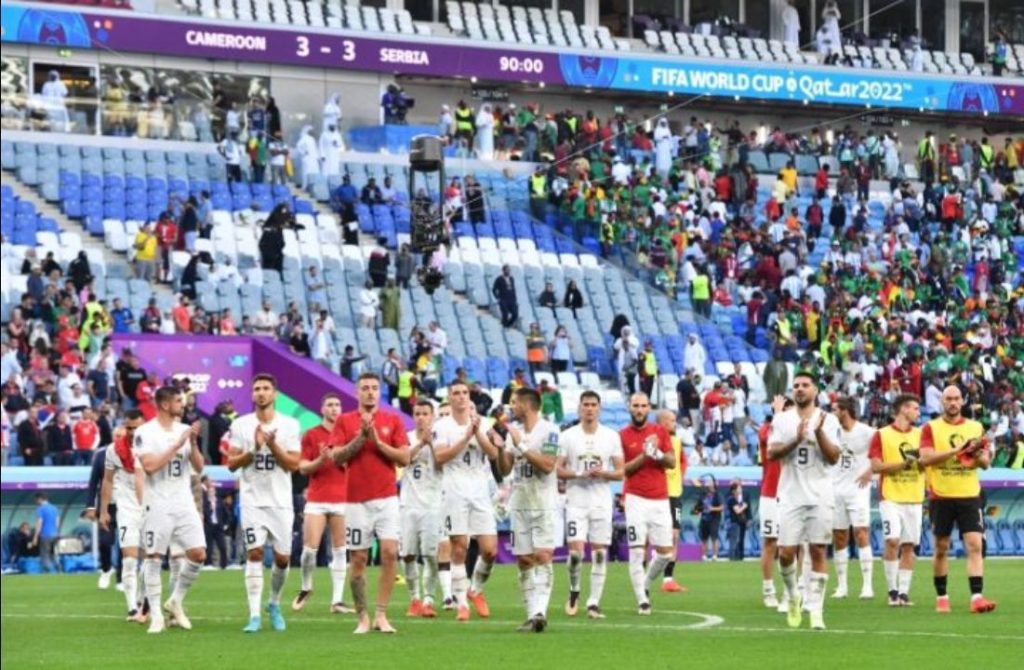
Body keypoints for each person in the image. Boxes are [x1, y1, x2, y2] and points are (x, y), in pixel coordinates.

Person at [328, 373, 410, 634]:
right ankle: (362, 617)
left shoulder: (392, 420)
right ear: (356, 392)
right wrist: (361, 438)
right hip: (355, 501)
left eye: (375, 388)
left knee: (389, 552)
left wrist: (377, 441)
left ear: (380, 392)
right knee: (359, 558)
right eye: (365, 388)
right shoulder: (344, 420)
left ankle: (381, 615)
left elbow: (404, 458)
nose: (370, 393)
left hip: (386, 498)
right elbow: (336, 457)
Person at [225, 374, 301, 633]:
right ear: (251, 394)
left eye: (266, 388)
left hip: (280, 501)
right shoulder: (240, 425)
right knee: (255, 553)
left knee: (282, 558)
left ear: (275, 394)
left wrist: (272, 445)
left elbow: (294, 464)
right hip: (252, 501)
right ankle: (254, 615)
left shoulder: (290, 425)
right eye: (257, 389)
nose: (261, 393)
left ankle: (274, 603)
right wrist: (255, 449)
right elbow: (231, 464)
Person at [767, 372, 841, 630]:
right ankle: (793, 595)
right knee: (786, 553)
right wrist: (796, 439)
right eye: (796, 385)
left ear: (815, 390)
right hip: (790, 494)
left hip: (821, 493)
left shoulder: (828, 420)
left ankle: (817, 611)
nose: (799, 389)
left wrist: (818, 434)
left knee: (819, 550)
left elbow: (834, 458)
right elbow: (772, 452)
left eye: (805, 385)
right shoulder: (782, 419)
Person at [919, 386, 997, 614]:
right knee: (942, 547)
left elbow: (984, 463)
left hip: (969, 495)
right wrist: (957, 450)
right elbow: (925, 459)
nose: (952, 402)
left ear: (962, 401)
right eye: (948, 399)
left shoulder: (975, 427)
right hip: (941, 495)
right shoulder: (930, 428)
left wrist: (973, 454)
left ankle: (977, 597)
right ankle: (942, 597)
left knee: (974, 544)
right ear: (941, 402)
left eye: (956, 399)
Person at [135, 386, 206, 634]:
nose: (183, 405)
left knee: (198, 554)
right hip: (158, 502)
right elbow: (150, 466)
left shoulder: (184, 430)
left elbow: (200, 467)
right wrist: (176, 445)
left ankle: (175, 600)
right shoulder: (145, 432)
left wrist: (193, 444)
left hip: (184, 500)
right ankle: (155, 615)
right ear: (165, 405)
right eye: (178, 401)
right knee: (154, 557)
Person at [433, 381, 501, 621]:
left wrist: (477, 432)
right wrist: (464, 438)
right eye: (456, 393)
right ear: (449, 398)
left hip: (480, 491)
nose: (461, 397)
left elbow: (494, 454)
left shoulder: (485, 423)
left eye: (464, 393)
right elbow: (439, 457)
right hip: (454, 491)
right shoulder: (442, 426)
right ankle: (462, 602)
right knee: (459, 546)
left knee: (490, 550)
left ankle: (475, 590)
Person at [497, 387, 561, 633]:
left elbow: (547, 465)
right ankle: (531, 613)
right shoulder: (517, 432)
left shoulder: (550, 431)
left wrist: (520, 445)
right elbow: (504, 470)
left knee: (543, 555)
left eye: (514, 403)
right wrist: (502, 448)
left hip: (543, 502)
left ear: (526, 405)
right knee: (524, 560)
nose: (511, 407)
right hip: (520, 501)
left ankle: (540, 612)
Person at [556, 391, 624, 618]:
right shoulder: (567, 436)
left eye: (594, 405)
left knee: (599, 554)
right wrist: (580, 474)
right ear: (579, 407)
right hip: (576, 500)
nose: (589, 409)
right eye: (586, 404)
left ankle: (593, 602)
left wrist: (603, 473)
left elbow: (621, 471)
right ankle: (574, 590)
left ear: (600, 408)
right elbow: (557, 468)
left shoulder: (611, 436)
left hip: (601, 501)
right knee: (576, 553)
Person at [293, 394, 354, 615]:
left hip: (343, 498)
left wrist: (340, 456)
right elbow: (303, 468)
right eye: (329, 405)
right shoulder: (311, 434)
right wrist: (321, 459)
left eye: (337, 405)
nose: (334, 408)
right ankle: (306, 586)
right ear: (322, 409)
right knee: (309, 550)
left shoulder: (348, 435)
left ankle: (337, 601)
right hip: (317, 499)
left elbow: (355, 465)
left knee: (339, 550)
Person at [619, 392, 677, 615]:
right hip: (634, 498)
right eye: (636, 406)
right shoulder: (622, 435)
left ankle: (644, 583)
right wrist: (645, 456)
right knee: (636, 550)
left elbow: (671, 462)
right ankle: (642, 600)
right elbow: (623, 470)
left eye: (643, 406)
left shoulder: (659, 431)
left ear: (649, 408)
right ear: (629, 408)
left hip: (660, 499)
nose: (640, 409)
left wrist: (658, 453)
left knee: (665, 553)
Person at [869, 393, 925, 608]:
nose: (918, 413)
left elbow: (926, 464)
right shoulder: (881, 435)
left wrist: (919, 462)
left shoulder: (921, 435)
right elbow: (875, 466)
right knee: (892, 540)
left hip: (914, 496)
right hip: (890, 496)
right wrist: (902, 464)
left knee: (909, 545)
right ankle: (892, 590)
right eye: (915, 408)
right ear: (903, 409)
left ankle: (903, 593)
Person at [98, 410, 146, 619]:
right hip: (127, 506)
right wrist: (103, 510)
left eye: (137, 427)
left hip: (151, 505)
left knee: (150, 558)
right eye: (129, 427)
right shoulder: (113, 450)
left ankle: (144, 601)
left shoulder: (154, 444)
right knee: (129, 557)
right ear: (124, 427)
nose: (133, 431)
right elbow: (107, 480)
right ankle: (131, 607)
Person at [829, 396, 876, 599]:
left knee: (861, 533)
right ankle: (842, 586)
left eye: (835, 410)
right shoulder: (830, 432)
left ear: (844, 411)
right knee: (839, 537)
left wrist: (870, 472)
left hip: (858, 489)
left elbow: (882, 453)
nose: (832, 414)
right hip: (836, 489)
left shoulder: (867, 432)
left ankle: (867, 586)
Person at [400, 400, 443, 618]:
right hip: (408, 504)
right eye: (417, 413)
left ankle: (428, 599)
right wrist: (420, 444)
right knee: (407, 554)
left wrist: (431, 444)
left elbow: (444, 463)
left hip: (433, 505)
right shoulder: (405, 437)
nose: (421, 417)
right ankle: (414, 598)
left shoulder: (441, 438)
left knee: (430, 555)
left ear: (432, 416)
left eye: (425, 413)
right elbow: (401, 461)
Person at [758, 395, 788, 609]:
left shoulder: (796, 430)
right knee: (770, 543)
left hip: (792, 495)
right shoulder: (766, 429)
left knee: (792, 546)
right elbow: (771, 442)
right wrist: (778, 414)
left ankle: (792, 590)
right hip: (770, 494)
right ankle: (768, 590)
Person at [658, 409, 687, 592]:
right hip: (657, 494)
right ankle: (642, 577)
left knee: (674, 535)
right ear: (662, 423)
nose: (675, 423)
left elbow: (683, 461)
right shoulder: (653, 442)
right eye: (671, 420)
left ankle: (668, 579)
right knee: (648, 538)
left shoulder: (676, 442)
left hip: (674, 494)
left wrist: (679, 476)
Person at [201, 476, 228, 570]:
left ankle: (224, 565)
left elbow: (225, 514)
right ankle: (208, 564)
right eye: (210, 491)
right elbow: (204, 512)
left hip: (218, 527)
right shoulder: (205, 502)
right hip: (208, 526)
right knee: (209, 546)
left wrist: (225, 524)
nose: (211, 493)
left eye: (213, 491)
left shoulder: (220, 502)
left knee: (223, 546)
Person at [695, 476, 723, 560]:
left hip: (714, 519)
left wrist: (712, 509)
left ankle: (715, 555)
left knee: (714, 537)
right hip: (704, 519)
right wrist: (698, 512)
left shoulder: (718, 495)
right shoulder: (702, 496)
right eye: (708, 484)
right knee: (704, 538)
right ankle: (704, 556)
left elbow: (722, 507)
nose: (709, 486)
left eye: (710, 484)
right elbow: (697, 507)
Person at [32, 493, 60, 573]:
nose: (36, 502)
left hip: (45, 535)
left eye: (36, 500)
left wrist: (35, 537)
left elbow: (39, 523)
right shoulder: (55, 508)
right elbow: (57, 522)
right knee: (53, 554)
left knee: (45, 555)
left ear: (40, 499)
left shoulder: (40, 509)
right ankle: (59, 570)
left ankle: (50, 572)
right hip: (55, 535)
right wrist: (56, 532)